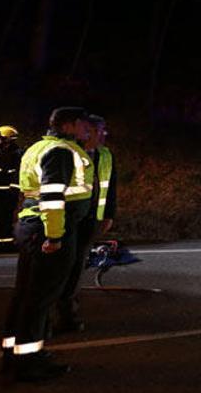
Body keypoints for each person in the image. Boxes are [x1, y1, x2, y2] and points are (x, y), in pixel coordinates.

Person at [1, 107, 94, 382]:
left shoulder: (36, 148)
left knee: (25, 296)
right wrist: (55, 237)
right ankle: (28, 364)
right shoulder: (61, 151)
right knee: (39, 299)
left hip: (31, 226)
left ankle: (15, 356)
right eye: (83, 125)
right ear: (70, 125)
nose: (86, 131)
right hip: (48, 230)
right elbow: (53, 197)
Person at [57, 114, 117, 333]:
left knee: (76, 269)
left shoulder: (105, 155)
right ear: (88, 131)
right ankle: (56, 314)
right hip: (68, 220)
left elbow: (110, 188)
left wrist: (108, 214)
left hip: (90, 220)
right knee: (62, 268)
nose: (104, 135)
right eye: (100, 130)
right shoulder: (71, 153)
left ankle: (68, 314)